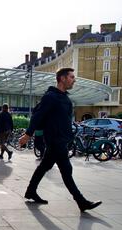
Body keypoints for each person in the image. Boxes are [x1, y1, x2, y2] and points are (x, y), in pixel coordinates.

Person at [19, 67, 101, 212]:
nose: (74, 80)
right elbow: (38, 115)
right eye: (71, 77)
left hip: (61, 140)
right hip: (55, 140)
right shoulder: (51, 96)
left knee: (44, 166)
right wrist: (28, 134)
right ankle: (81, 202)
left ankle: (31, 191)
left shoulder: (65, 98)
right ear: (62, 79)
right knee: (66, 170)